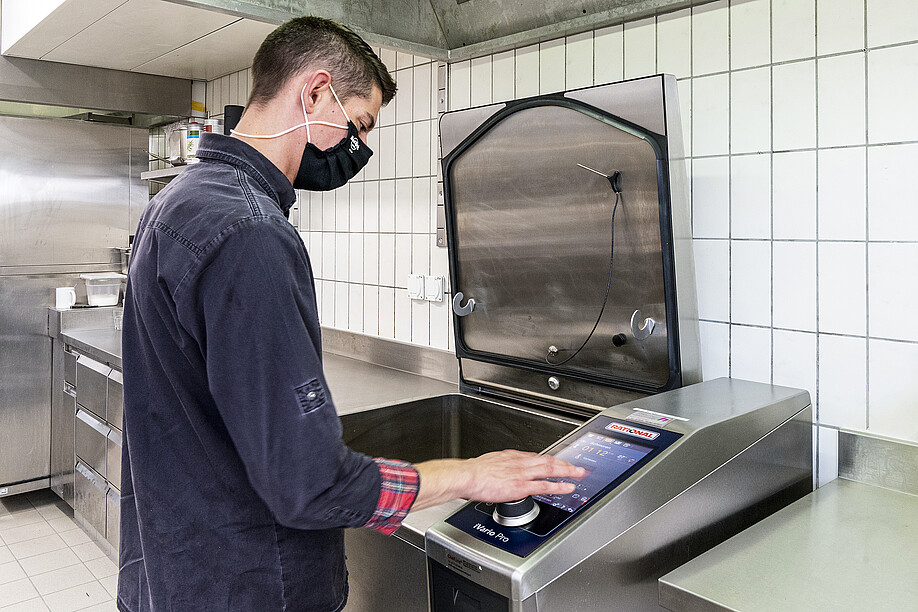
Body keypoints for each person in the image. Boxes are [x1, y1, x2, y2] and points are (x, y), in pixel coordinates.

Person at [118, 15, 583, 612]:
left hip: (176, 569)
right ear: (314, 92)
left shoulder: (176, 203)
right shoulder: (251, 234)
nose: (354, 150)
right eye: (358, 124)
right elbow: (310, 484)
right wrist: (470, 475)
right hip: (252, 584)